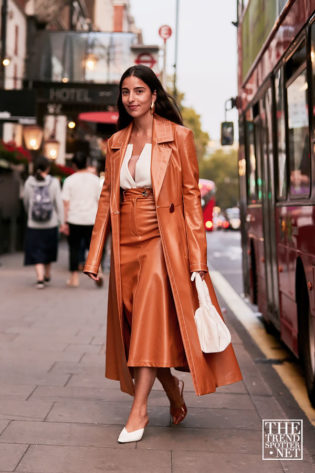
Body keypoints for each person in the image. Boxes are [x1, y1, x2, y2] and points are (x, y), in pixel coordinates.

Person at [84, 65, 242, 443]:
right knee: (133, 328)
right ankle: (171, 387)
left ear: (155, 95)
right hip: (125, 243)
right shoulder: (116, 142)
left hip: (161, 240)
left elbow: (190, 199)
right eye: (126, 92)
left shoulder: (179, 137)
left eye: (139, 90)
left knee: (149, 324)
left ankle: (138, 413)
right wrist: (93, 256)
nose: (132, 98)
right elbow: (108, 197)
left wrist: (198, 260)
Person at [23, 156, 64, 288]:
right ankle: (47, 274)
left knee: (36, 250)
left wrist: (29, 214)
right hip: (50, 223)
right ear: (48, 168)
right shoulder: (54, 182)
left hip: (33, 224)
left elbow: (26, 202)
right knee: (48, 250)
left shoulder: (29, 181)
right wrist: (62, 221)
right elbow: (59, 203)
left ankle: (39, 278)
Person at [62, 151, 102, 287]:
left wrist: (64, 222)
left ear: (73, 165)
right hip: (91, 218)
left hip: (74, 219)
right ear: (87, 163)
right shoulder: (96, 180)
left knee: (74, 248)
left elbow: (66, 204)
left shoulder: (69, 181)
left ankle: (74, 278)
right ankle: (99, 271)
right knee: (93, 248)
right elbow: (100, 201)